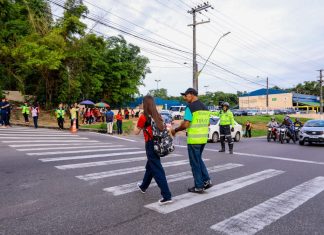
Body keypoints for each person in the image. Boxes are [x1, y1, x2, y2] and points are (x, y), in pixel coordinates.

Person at [171, 88, 212, 193]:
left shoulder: (190, 107)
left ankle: (199, 186)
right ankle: (207, 180)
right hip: (203, 139)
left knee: (194, 163)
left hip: (194, 139)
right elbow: (208, 124)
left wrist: (175, 130)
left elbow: (186, 124)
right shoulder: (205, 108)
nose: (185, 98)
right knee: (198, 160)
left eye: (186, 95)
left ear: (192, 94)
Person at [135, 95, 173, 205]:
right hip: (158, 144)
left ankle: (167, 196)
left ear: (145, 104)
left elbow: (135, 132)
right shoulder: (158, 115)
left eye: (142, 103)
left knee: (157, 169)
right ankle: (143, 186)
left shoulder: (144, 117)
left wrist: (139, 122)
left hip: (150, 145)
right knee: (150, 166)